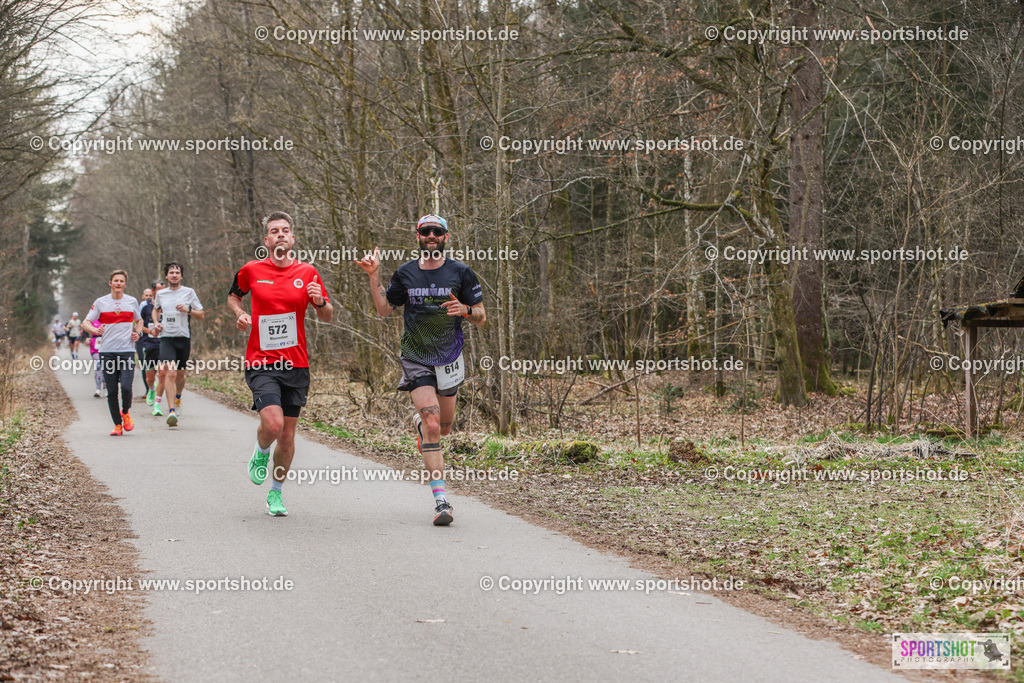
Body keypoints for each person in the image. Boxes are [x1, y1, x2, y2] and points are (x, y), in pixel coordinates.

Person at [354, 213, 485, 526]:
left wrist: (466, 310)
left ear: (446, 236)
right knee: (433, 424)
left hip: (449, 358)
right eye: (425, 231)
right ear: (418, 237)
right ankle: (441, 502)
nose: (431, 236)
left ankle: (422, 426)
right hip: (416, 356)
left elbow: (481, 315)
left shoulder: (461, 272)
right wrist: (374, 275)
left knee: (445, 428)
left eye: (436, 231)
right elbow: (384, 310)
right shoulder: (406, 273)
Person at [228, 211, 332, 516]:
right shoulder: (251, 270)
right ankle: (261, 451)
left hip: (296, 363)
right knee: (273, 424)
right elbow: (233, 296)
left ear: (293, 238)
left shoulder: (308, 272)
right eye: (275, 231)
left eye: (285, 230)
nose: (281, 235)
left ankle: (275, 493)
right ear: (266, 240)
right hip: (261, 360)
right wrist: (240, 314)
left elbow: (327, 316)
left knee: (287, 435)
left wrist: (320, 300)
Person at [81, 270, 142, 436]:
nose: (118, 283)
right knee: (112, 391)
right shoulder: (101, 302)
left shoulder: (131, 301)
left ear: (125, 284)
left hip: (127, 351)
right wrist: (95, 330)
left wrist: (138, 333)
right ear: (110, 283)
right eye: (116, 280)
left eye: (121, 281)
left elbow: (139, 320)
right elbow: (85, 323)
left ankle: (125, 412)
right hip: (107, 352)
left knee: (126, 387)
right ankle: (117, 425)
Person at [153, 262, 204, 427]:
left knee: (180, 376)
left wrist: (188, 310)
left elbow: (201, 314)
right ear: (166, 276)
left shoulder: (189, 292)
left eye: (177, 272)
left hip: (183, 338)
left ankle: (178, 397)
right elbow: (156, 309)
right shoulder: (161, 294)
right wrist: (156, 323)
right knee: (170, 372)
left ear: (181, 276)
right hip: (166, 338)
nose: (174, 275)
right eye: (171, 272)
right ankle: (171, 411)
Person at [137, 287, 162, 407]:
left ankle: (158, 400)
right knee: (147, 368)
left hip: (163, 342)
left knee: (163, 371)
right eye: (146, 295)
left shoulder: (167, 304)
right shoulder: (143, 306)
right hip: (146, 342)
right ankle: (150, 388)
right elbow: (137, 323)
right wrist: (148, 331)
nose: (148, 297)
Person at [87, 329, 104, 397]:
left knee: (107, 368)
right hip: (95, 348)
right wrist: (87, 337)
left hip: (108, 347)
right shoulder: (93, 322)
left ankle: (106, 388)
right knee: (98, 368)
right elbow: (85, 327)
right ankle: (98, 389)